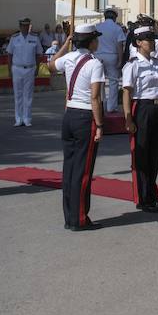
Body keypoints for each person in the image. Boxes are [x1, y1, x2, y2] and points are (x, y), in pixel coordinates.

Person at [48, 23, 107, 230]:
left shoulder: (69, 58)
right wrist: (100, 125)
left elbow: (51, 65)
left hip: (69, 115)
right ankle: (80, 218)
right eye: (96, 38)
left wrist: (65, 44)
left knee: (70, 169)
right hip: (85, 117)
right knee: (82, 171)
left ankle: (70, 217)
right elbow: (95, 97)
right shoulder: (95, 63)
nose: (97, 42)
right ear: (91, 42)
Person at [121, 23, 158, 212]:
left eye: (153, 39)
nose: (152, 43)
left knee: (155, 154)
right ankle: (143, 198)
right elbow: (127, 92)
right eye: (148, 40)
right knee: (142, 155)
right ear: (138, 42)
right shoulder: (133, 65)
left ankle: (153, 196)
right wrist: (128, 118)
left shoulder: (156, 63)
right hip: (142, 108)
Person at [6, 17, 44, 127]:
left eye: (27, 26)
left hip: (30, 68)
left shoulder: (34, 38)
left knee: (28, 95)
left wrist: (37, 68)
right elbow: (9, 55)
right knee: (18, 94)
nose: (25, 28)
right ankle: (18, 118)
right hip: (17, 68)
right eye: (23, 26)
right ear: (20, 27)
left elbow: (38, 54)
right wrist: (9, 70)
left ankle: (27, 118)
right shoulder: (14, 38)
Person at [94, 7, 125, 112]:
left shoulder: (97, 27)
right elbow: (119, 45)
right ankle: (111, 107)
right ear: (115, 17)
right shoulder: (117, 28)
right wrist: (120, 60)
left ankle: (101, 105)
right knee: (113, 82)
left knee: (99, 82)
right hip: (112, 55)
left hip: (98, 55)